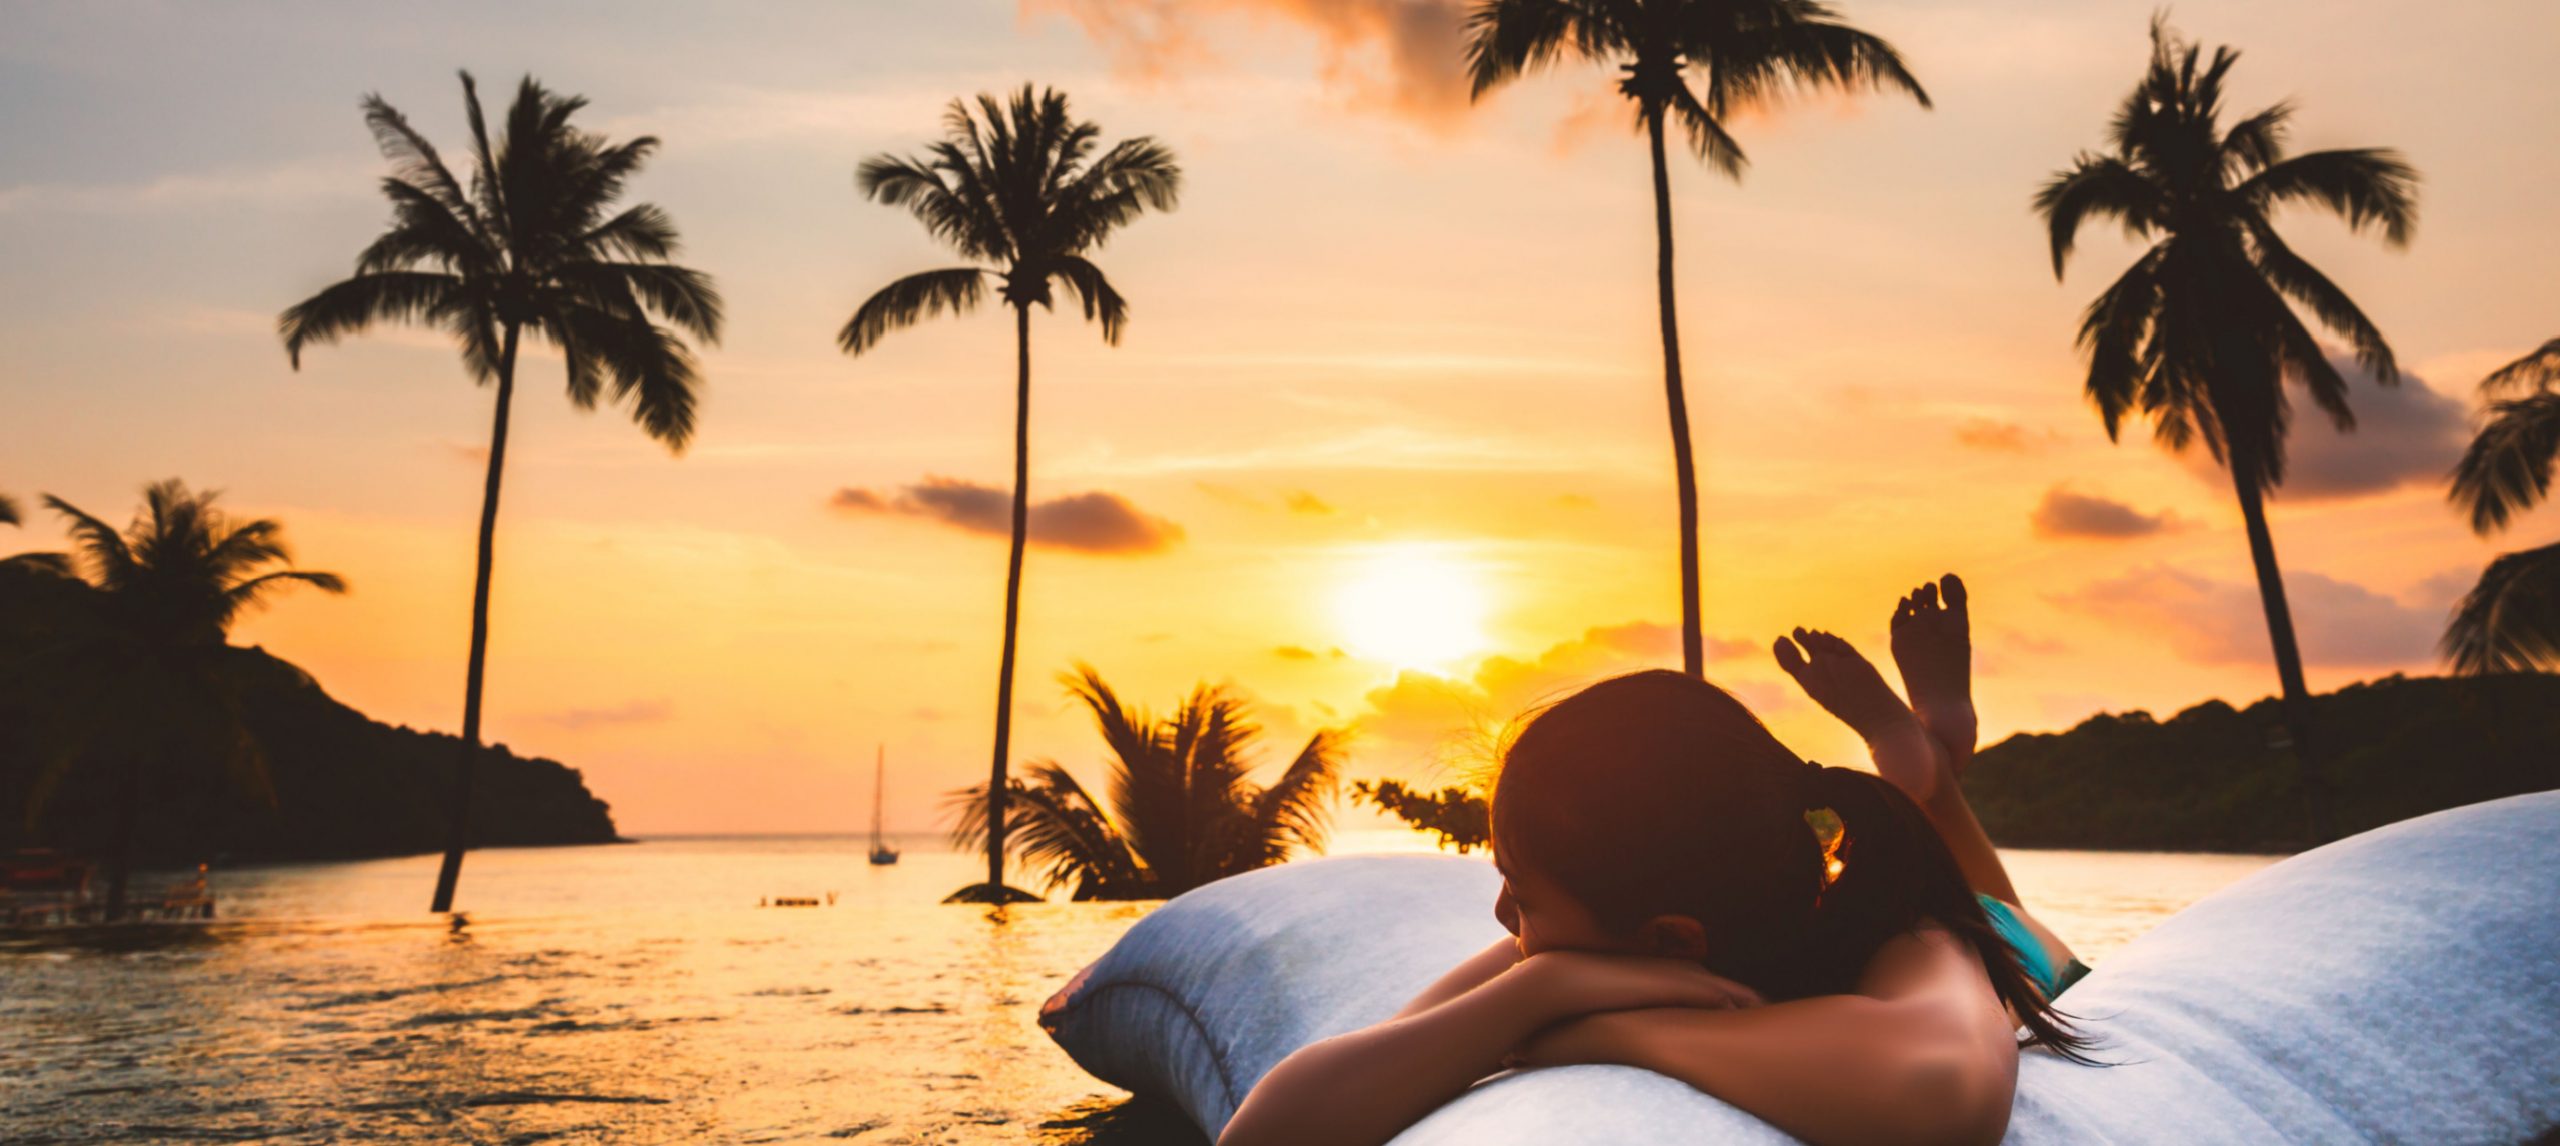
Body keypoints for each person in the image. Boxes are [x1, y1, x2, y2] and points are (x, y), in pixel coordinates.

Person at [1219, 575, 2091, 1146]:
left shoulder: (1907, 944)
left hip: (1997, 943)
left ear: (1672, 935)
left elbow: (1945, 1094)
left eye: (1519, 895)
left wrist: (1596, 1029)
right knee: (1917, 830)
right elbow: (1272, 1131)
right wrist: (1539, 991)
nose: (1501, 923)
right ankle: (1918, 769)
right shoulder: (1590, 953)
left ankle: (1923, 774)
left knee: (1996, 913)